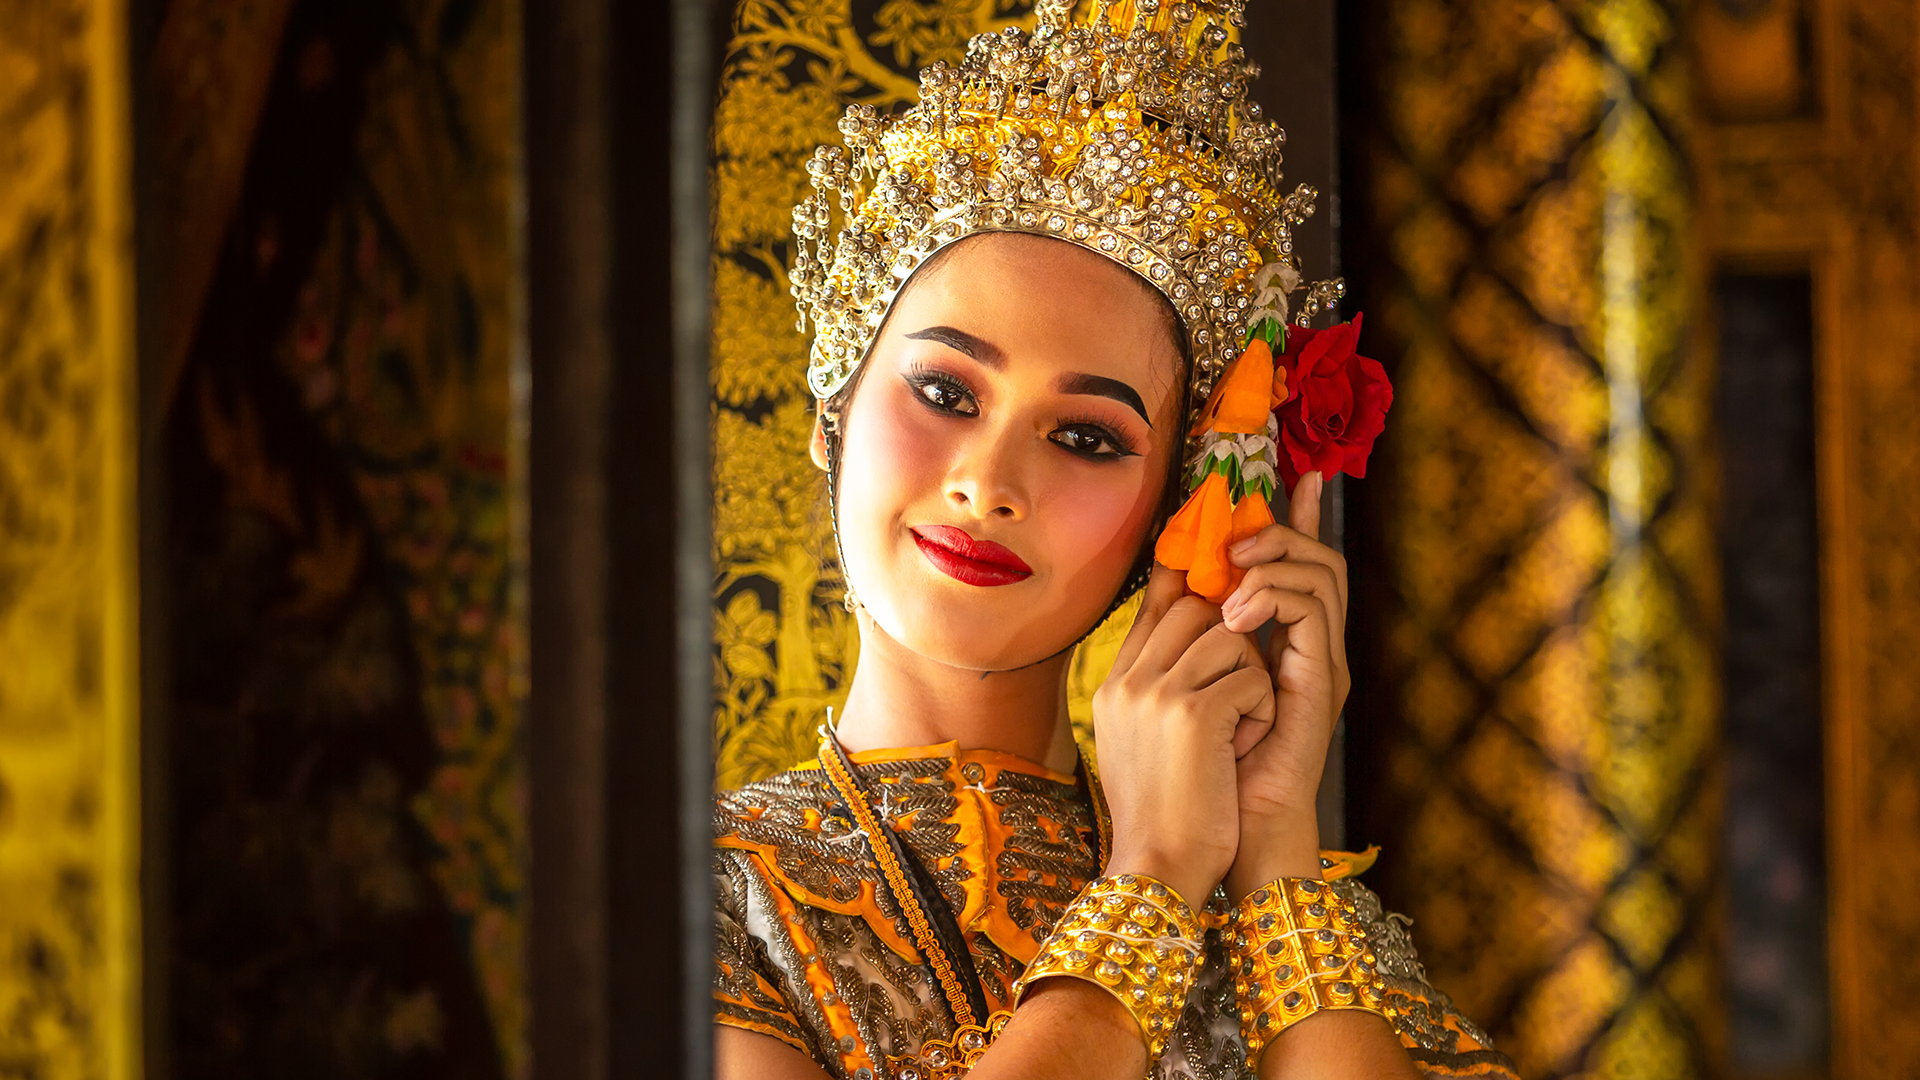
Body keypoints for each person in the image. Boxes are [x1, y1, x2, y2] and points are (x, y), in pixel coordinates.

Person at [713, 2, 1520, 1077]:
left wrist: (1274, 836)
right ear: (832, 420)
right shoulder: (705, 900)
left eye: (1087, 436)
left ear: (1173, 508)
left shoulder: (1278, 919)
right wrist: (1151, 881)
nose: (990, 485)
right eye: (947, 390)